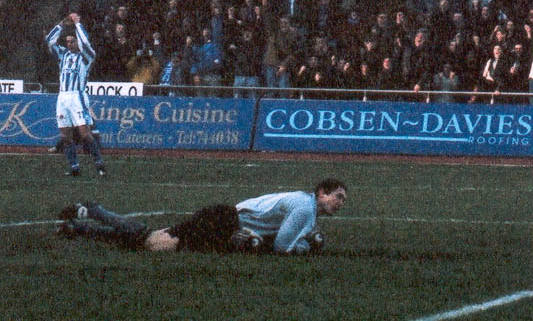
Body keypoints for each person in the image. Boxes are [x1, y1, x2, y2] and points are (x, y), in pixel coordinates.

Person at [58, 178, 348, 254]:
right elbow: (282, 246)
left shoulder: (303, 203)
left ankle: (79, 227)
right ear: (321, 192)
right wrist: (306, 246)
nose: (340, 203)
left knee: (147, 243)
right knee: (151, 242)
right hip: (223, 222)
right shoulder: (304, 207)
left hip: (225, 220)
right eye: (337, 197)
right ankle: (93, 210)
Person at [45, 13, 106, 177]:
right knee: (65, 135)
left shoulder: (86, 56)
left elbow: (86, 42)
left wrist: (78, 24)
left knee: (85, 133)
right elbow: (49, 41)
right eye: (68, 42)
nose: (70, 44)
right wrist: (61, 25)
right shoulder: (63, 55)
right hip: (63, 97)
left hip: (77, 96)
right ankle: (74, 167)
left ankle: (99, 164)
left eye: (72, 41)